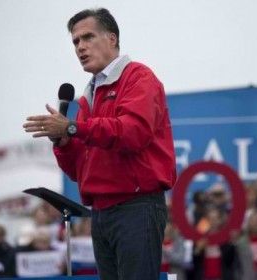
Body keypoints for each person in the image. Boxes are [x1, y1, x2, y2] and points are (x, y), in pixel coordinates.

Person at [23, 7, 176, 280]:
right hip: (101, 214)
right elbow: (80, 170)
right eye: (75, 42)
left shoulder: (139, 78)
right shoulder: (88, 96)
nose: (80, 47)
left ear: (112, 39)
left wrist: (72, 126)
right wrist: (64, 142)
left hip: (136, 207)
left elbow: (133, 132)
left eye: (88, 37)